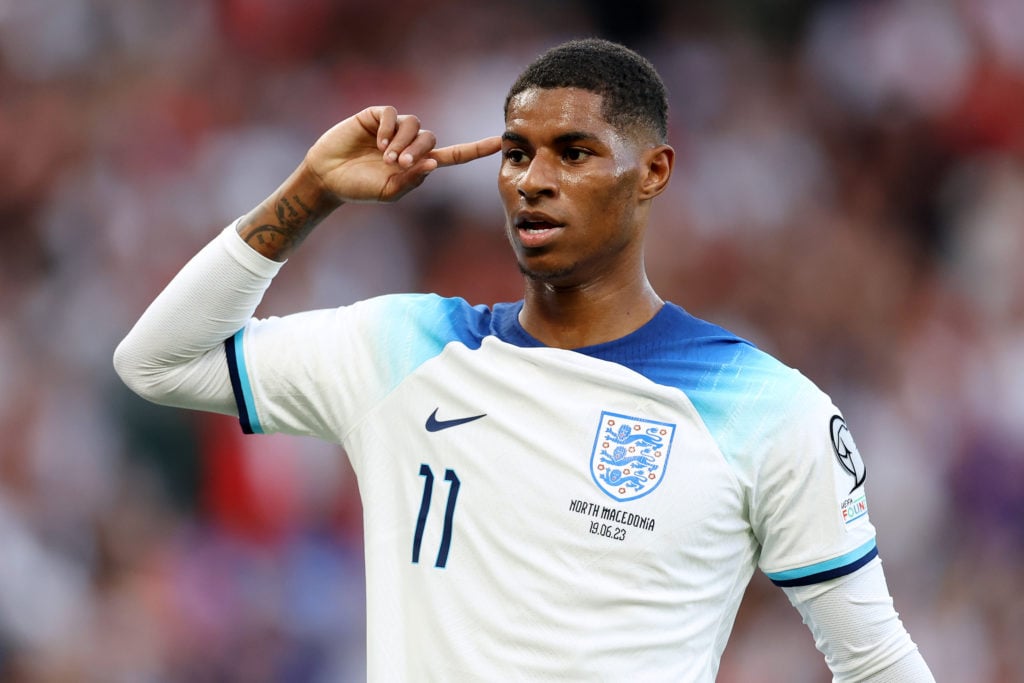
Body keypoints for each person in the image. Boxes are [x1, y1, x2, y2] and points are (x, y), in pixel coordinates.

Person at [114, 38, 935, 681]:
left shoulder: (768, 409)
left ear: (653, 173)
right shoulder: (405, 350)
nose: (532, 180)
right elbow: (157, 361)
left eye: (573, 153)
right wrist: (310, 192)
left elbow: (872, 660)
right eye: (516, 153)